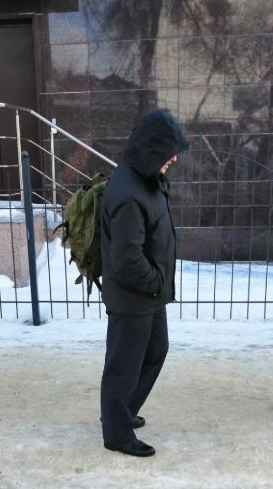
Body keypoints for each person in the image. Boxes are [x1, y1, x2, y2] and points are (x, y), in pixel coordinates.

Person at [99, 109, 189, 457]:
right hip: (134, 296)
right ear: (152, 149)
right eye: (170, 151)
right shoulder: (127, 193)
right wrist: (156, 281)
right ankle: (116, 434)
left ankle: (121, 412)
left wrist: (158, 285)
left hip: (150, 293)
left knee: (155, 351)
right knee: (123, 366)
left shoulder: (146, 178)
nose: (174, 158)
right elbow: (126, 259)